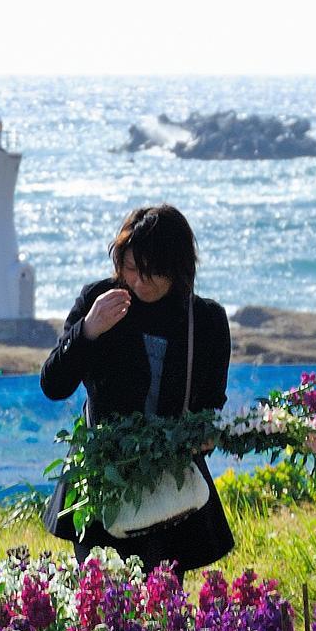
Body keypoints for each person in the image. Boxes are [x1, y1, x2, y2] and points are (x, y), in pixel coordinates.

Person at [40, 204, 235, 573]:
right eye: (131, 269)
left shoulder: (206, 321)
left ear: (178, 269)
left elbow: (210, 406)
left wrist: (206, 435)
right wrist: (88, 330)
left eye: (152, 272)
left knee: (162, 610)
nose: (140, 281)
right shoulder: (100, 300)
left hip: (167, 487)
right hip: (101, 483)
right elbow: (53, 384)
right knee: (100, 603)